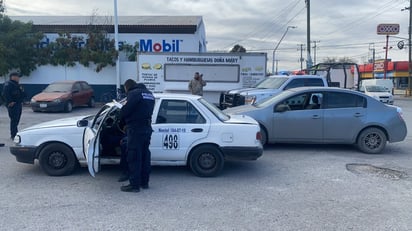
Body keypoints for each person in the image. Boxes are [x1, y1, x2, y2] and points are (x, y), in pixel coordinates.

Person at [119, 79, 155, 193]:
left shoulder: (133, 94)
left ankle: (134, 185)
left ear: (127, 87)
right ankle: (145, 182)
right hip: (147, 129)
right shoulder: (149, 94)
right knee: (145, 156)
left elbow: (125, 111)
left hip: (135, 130)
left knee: (134, 157)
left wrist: (121, 118)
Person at [3, 72, 25, 140]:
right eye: (17, 76)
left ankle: (15, 132)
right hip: (13, 105)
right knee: (14, 120)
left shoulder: (17, 85)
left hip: (18, 103)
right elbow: (5, 94)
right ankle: (13, 134)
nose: (18, 78)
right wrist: (9, 102)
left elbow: (22, 93)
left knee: (17, 119)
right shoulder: (8, 84)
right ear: (13, 77)